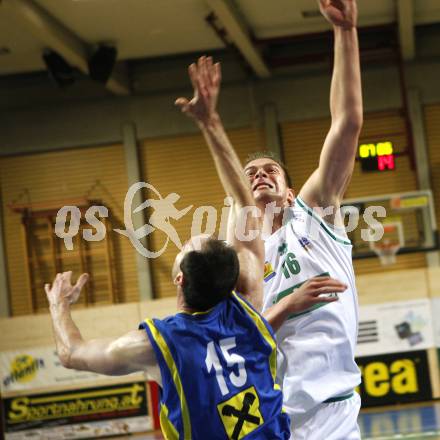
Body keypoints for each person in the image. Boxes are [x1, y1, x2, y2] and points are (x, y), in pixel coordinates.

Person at [45, 102, 342, 438]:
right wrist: (211, 122)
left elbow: (71, 353)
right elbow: (245, 206)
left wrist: (58, 304)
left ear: (180, 278)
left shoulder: (156, 344)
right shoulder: (246, 309)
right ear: (233, 280)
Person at [175, 0, 363, 438]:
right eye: (251, 173)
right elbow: (234, 334)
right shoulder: (237, 258)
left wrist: (346, 33)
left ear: (292, 191)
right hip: (266, 413)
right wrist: (288, 305)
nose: (259, 174)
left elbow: (347, 123)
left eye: (270, 170)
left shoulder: (316, 215)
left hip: (330, 410)